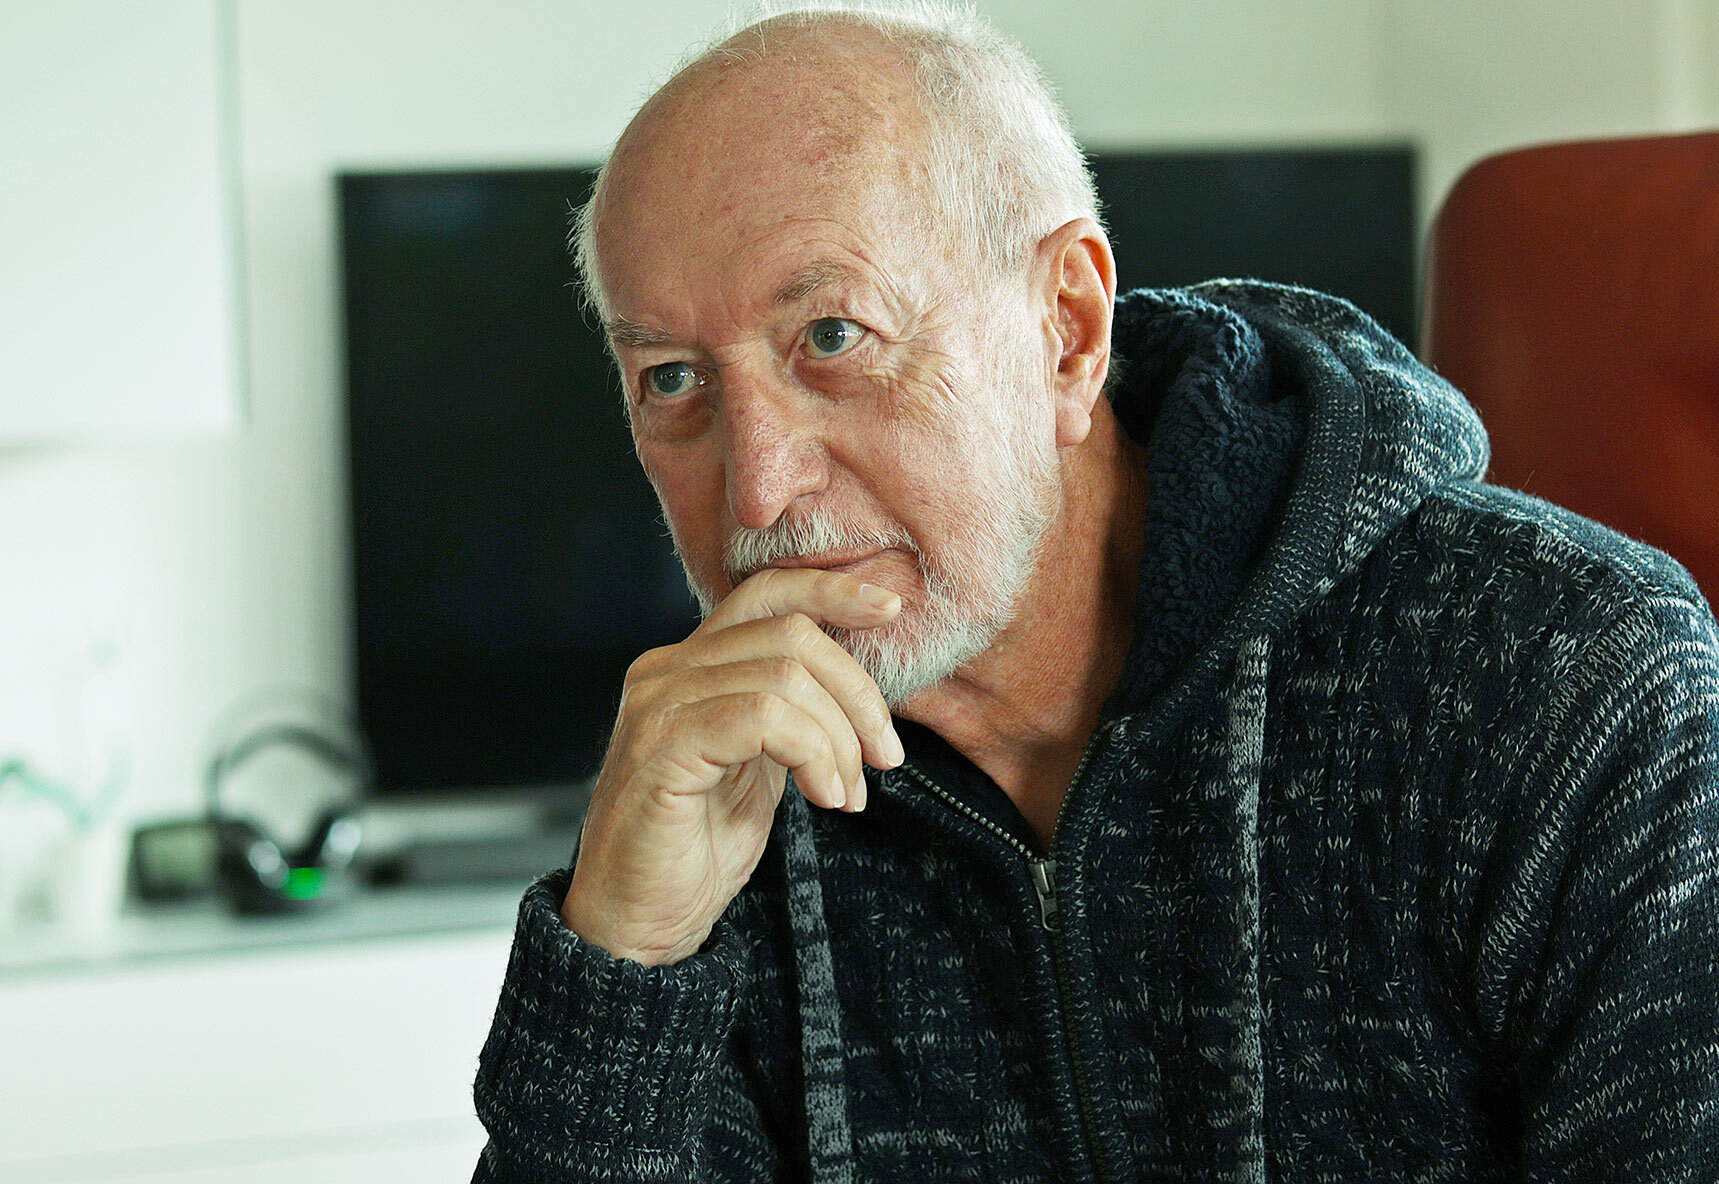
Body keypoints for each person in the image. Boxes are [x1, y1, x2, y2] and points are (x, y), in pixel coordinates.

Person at [472, 3, 1719, 1180]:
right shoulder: (715, 794)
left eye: (834, 336)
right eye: (674, 378)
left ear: (1067, 329)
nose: (757, 492)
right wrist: (621, 958)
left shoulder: (1565, 681)